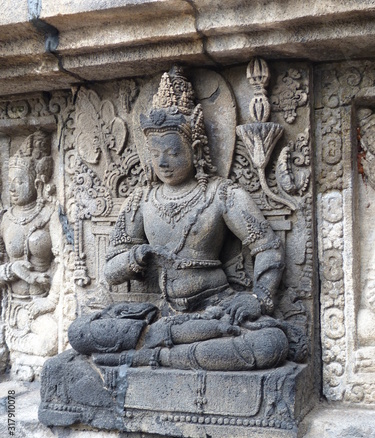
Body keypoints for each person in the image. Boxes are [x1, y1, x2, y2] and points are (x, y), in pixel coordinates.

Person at [68, 67, 289, 371]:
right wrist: (136, 255)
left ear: (195, 148)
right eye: (155, 153)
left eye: (172, 152)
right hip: (161, 312)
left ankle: (157, 355)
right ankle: (173, 343)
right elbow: (110, 270)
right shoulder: (142, 200)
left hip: (216, 309)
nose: (162, 162)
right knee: (80, 332)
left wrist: (259, 297)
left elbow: (268, 247)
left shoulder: (221, 194)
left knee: (270, 344)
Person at [0, 131, 60, 371]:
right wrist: (10, 270)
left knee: (51, 342)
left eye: (20, 182)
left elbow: (66, 261)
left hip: (40, 306)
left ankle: (18, 354)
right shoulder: (4, 220)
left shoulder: (50, 215)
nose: (13, 189)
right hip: (11, 305)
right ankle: (18, 356)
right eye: (10, 182)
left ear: (37, 183)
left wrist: (49, 302)